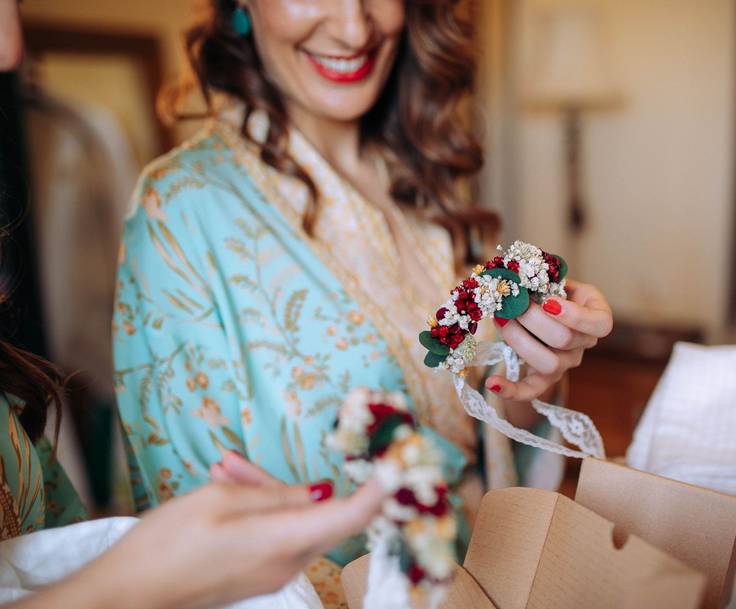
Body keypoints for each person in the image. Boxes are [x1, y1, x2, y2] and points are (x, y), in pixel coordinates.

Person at [113, 0, 614, 563]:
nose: (354, 27)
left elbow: (478, 428)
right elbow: (190, 547)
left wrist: (534, 366)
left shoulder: (429, 180)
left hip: (486, 587)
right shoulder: (181, 210)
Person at [0, 3, 385, 609]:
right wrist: (137, 585)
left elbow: (475, 458)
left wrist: (516, 384)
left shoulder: (432, 197)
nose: (354, 23)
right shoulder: (179, 211)